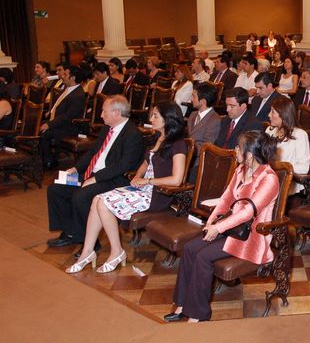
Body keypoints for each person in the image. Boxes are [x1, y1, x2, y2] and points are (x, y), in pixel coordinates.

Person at [165, 130, 280, 323]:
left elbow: (248, 212)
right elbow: (226, 199)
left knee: (203, 256)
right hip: (230, 227)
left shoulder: (269, 178)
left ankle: (198, 313)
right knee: (190, 248)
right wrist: (211, 222)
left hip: (250, 236)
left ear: (250, 155)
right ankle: (182, 304)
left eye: (239, 148)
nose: (235, 150)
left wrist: (218, 228)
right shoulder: (241, 170)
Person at [65, 101, 187, 274]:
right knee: (97, 199)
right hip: (144, 189)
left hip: (158, 194)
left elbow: (177, 180)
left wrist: (147, 181)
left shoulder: (178, 144)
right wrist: (138, 176)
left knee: (103, 203)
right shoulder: (157, 137)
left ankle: (116, 251)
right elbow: (146, 162)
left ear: (168, 119)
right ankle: (88, 251)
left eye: (155, 116)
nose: (151, 119)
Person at [46, 96, 144, 251]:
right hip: (93, 174)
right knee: (55, 189)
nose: (101, 115)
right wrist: (76, 168)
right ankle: (71, 233)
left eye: (104, 111)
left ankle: (91, 242)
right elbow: (93, 152)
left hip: (113, 179)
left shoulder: (132, 134)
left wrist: (96, 178)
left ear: (116, 113)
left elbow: (123, 165)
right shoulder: (107, 129)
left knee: (81, 196)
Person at [40, 64, 86, 169]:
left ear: (73, 78)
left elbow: (68, 116)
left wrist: (50, 124)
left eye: (65, 74)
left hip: (69, 127)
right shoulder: (68, 88)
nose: (62, 76)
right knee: (37, 127)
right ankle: (47, 158)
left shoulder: (78, 94)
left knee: (44, 133)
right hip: (59, 122)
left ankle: (49, 161)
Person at [266, 97, 310, 194]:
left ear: (283, 114)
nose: (269, 115)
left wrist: (280, 167)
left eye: (273, 112)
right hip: (268, 180)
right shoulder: (269, 131)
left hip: (287, 184)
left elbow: (304, 168)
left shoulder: (300, 135)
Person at [187, 83, 222, 182]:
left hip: (199, 163)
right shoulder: (193, 115)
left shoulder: (214, 120)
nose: (191, 99)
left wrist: (187, 150)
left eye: (194, 96)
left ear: (203, 101)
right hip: (187, 158)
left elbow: (206, 146)